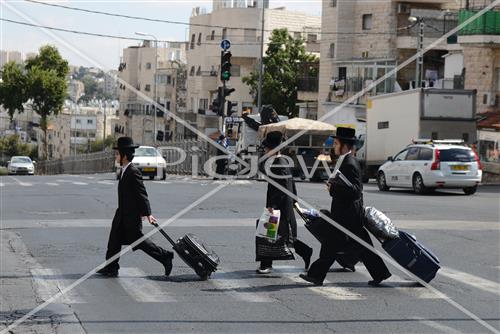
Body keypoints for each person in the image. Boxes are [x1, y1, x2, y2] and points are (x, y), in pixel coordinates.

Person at [299, 127, 392, 286]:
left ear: (345, 145)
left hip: (347, 214)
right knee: (359, 245)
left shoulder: (349, 163)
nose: (334, 147)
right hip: (347, 213)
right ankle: (380, 273)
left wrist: (333, 188)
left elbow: (356, 191)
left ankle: (316, 275)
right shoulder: (345, 161)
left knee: (331, 244)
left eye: (336, 143)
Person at [97, 137, 174, 277]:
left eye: (117, 153)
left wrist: (147, 213)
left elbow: (141, 194)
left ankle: (165, 256)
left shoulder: (133, 172)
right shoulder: (125, 170)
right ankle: (111, 267)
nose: (116, 156)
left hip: (131, 216)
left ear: (124, 155)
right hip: (122, 213)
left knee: (140, 242)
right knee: (114, 239)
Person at [257, 131, 313, 274]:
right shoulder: (282, 161)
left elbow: (280, 188)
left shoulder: (278, 163)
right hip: (284, 203)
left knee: (273, 234)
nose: (265, 150)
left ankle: (266, 264)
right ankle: (267, 264)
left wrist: (272, 206)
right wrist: (294, 200)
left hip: (280, 205)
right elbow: (291, 183)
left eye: (267, 148)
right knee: (277, 234)